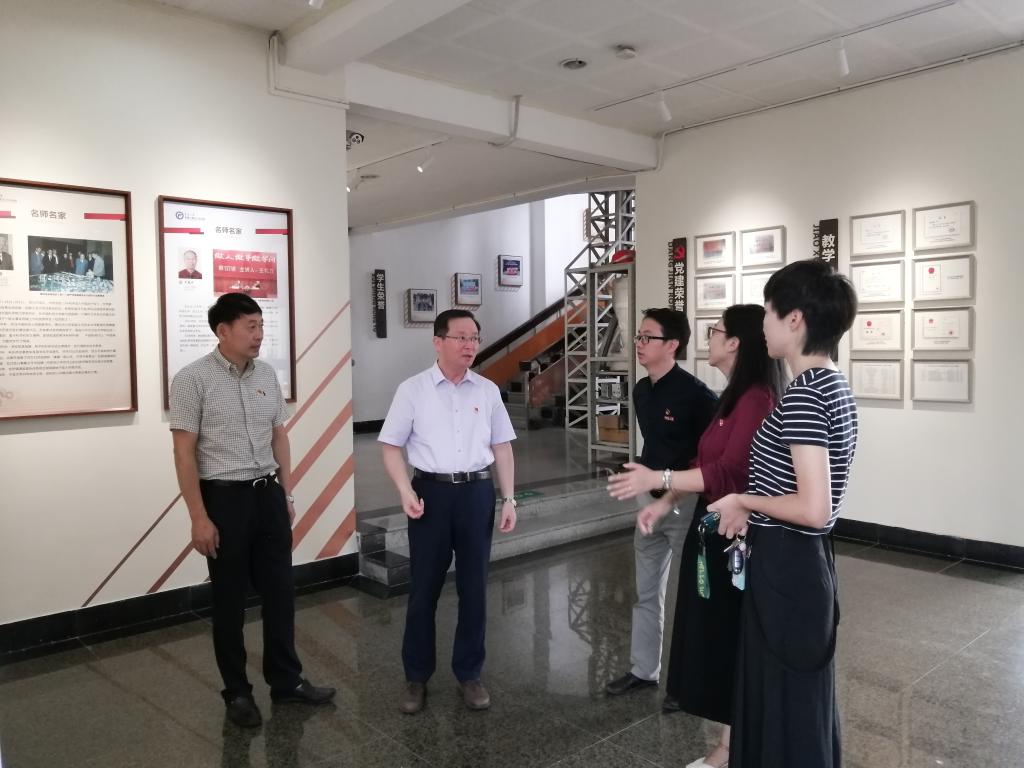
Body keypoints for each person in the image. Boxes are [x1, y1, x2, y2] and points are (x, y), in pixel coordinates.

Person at [608, 304, 786, 768]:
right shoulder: (731, 397)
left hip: (728, 525)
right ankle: (720, 737)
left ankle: (728, 744)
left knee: (724, 629)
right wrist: (659, 497)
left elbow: (726, 470)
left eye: (716, 331)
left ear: (735, 343)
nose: (710, 338)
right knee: (679, 606)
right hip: (701, 514)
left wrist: (661, 481)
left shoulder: (748, 398)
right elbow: (708, 464)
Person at [710, 259, 858, 768]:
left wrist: (743, 501)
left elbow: (813, 508)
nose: (763, 326)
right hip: (804, 562)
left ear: (794, 319)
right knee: (796, 703)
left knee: (784, 702)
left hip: (788, 565)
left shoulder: (804, 395)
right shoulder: (832, 384)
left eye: (768, 312)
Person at [169, 292, 335, 729]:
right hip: (224, 499)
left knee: (281, 593)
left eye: (261, 325)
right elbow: (184, 454)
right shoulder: (192, 379)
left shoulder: (266, 374)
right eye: (251, 326)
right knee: (229, 601)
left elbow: (279, 435)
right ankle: (237, 692)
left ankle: (287, 680)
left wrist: (287, 494)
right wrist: (198, 517)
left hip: (267, 495)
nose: (259, 334)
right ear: (223, 331)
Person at [378, 309, 517, 715]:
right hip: (430, 496)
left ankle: (469, 673)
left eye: (475, 337)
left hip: (476, 494)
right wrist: (405, 490)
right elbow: (390, 446)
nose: (470, 345)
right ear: (438, 342)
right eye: (461, 337)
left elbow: (502, 447)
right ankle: (416, 677)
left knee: (475, 588)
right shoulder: (413, 390)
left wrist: (509, 498)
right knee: (424, 589)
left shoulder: (487, 391)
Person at [604, 308, 718, 697]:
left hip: (684, 502)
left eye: (647, 337)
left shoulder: (698, 396)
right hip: (648, 502)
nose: (638, 343)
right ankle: (644, 670)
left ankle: (689, 684)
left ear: (672, 345)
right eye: (638, 336)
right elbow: (654, 444)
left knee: (690, 598)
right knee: (646, 591)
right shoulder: (640, 390)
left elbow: (706, 462)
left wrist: (670, 497)